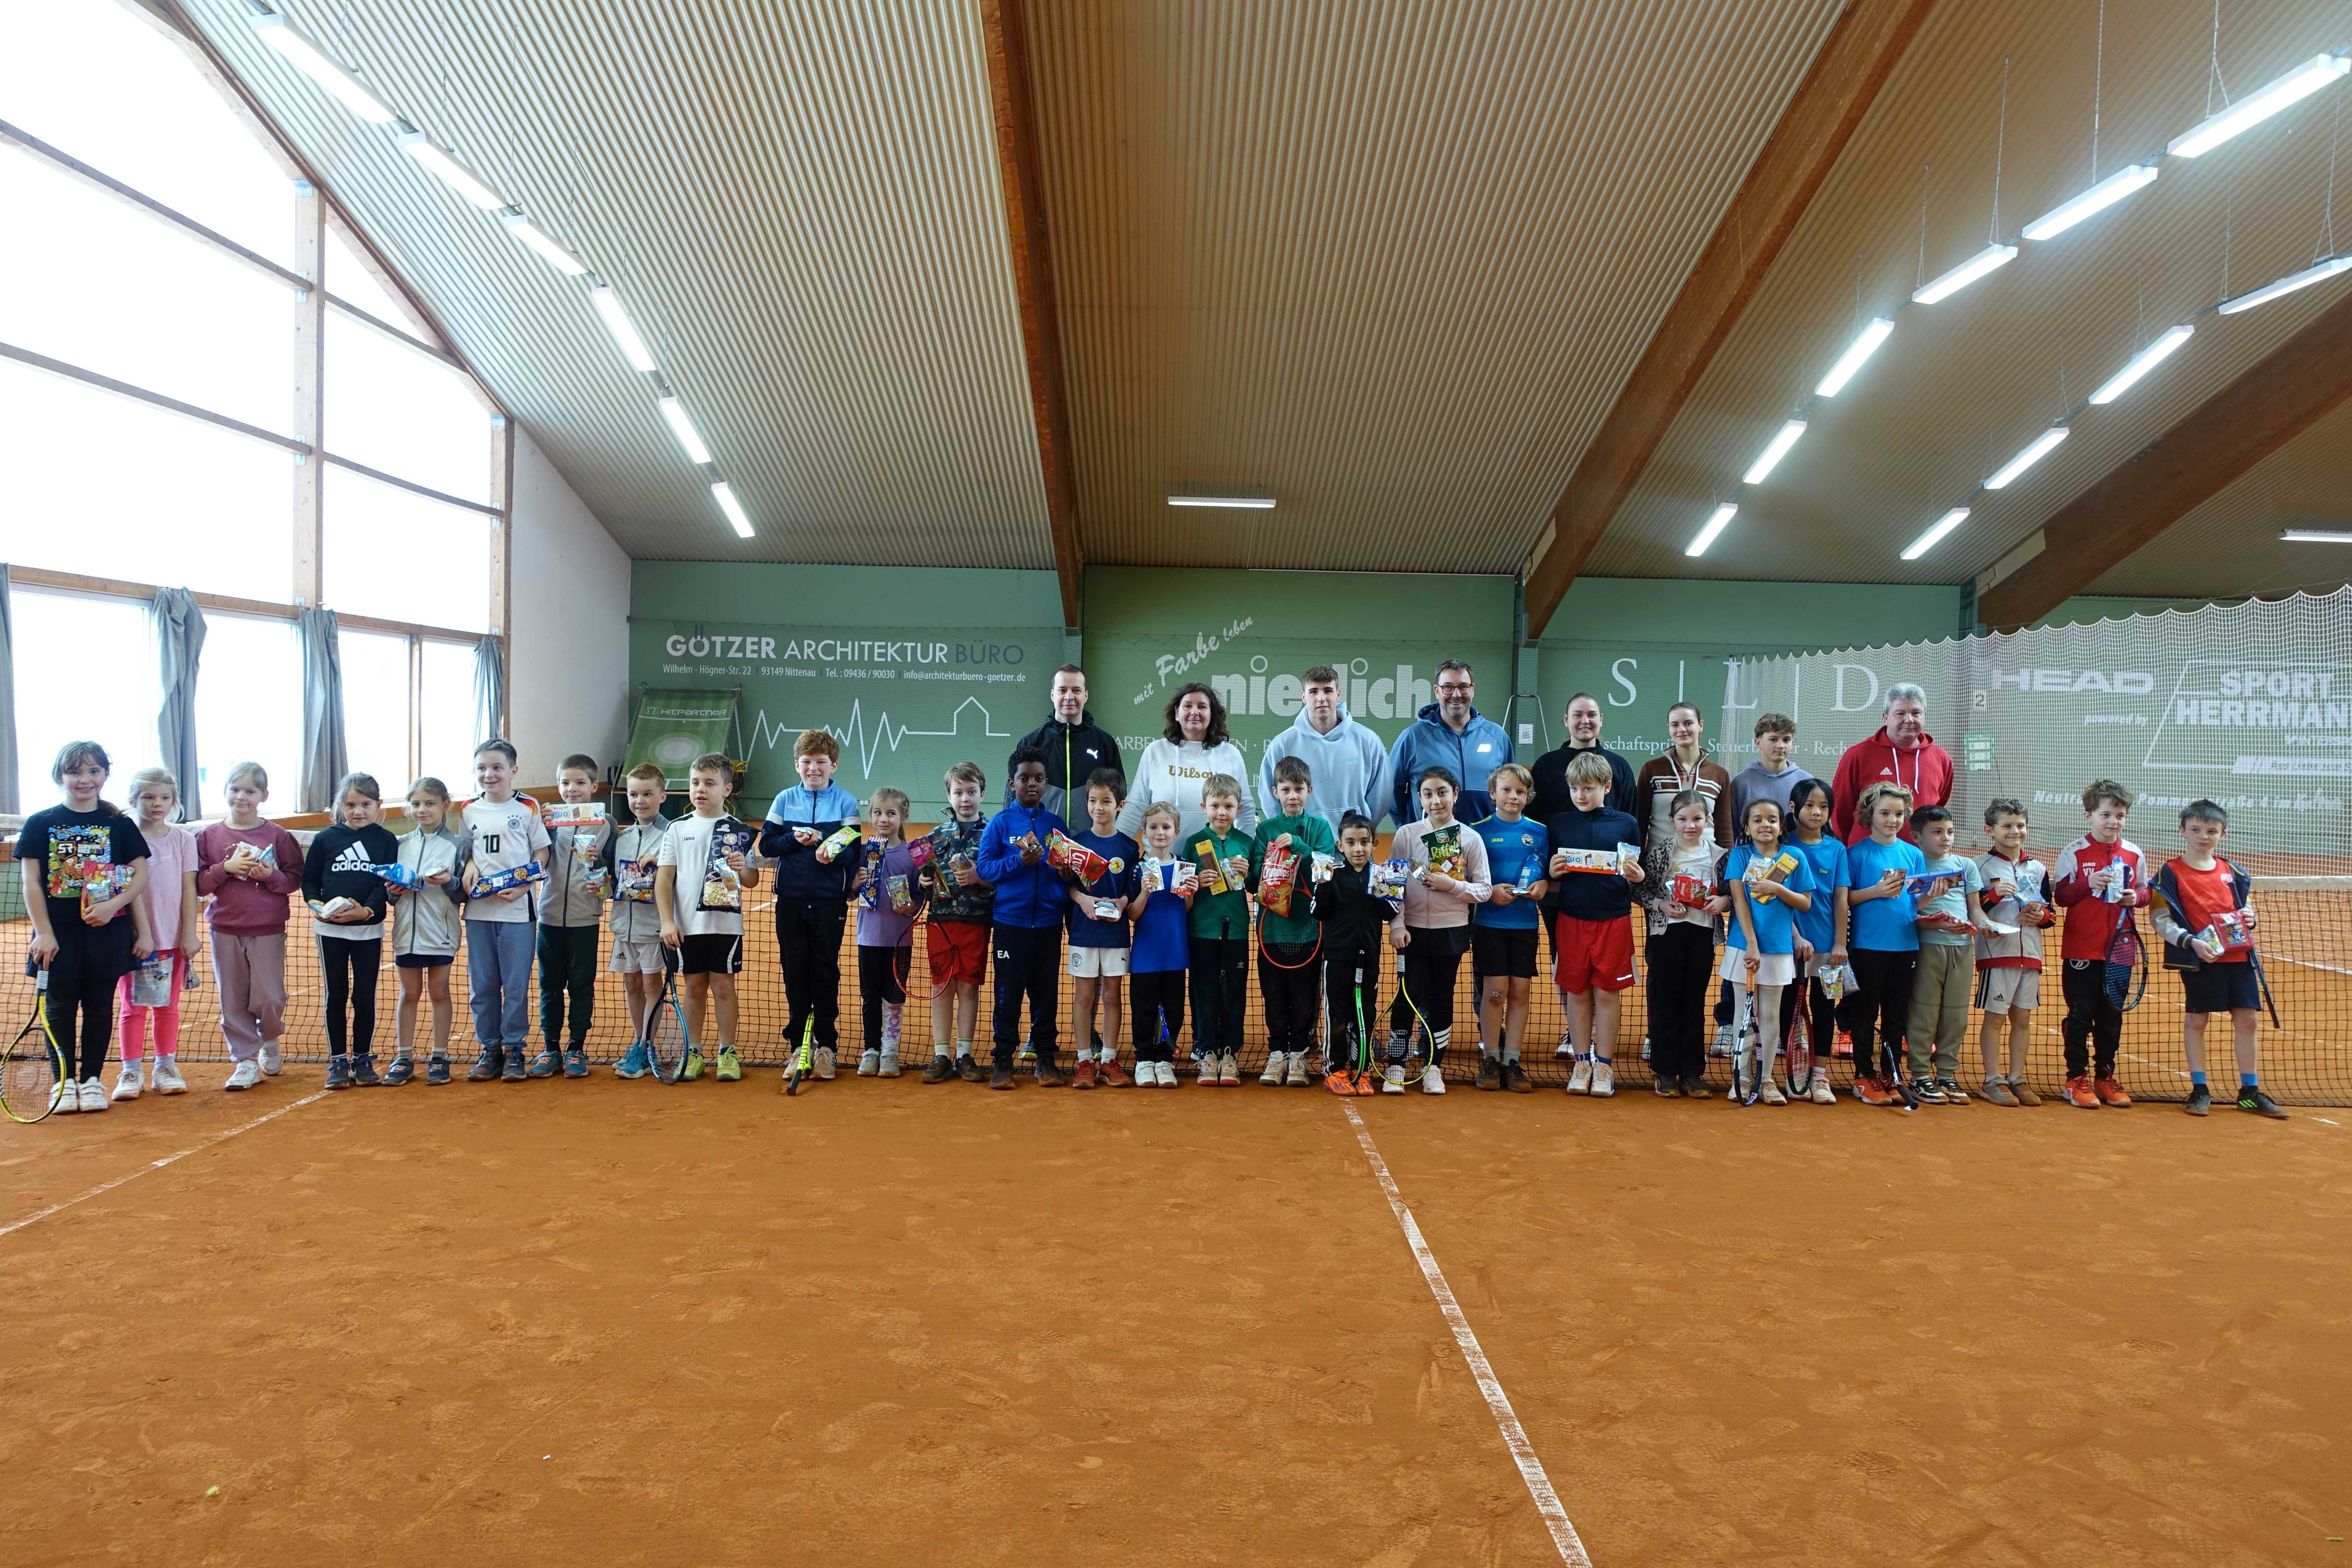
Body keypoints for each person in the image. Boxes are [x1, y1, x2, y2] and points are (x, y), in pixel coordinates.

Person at [17, 740, 152, 1115]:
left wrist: (112, 907)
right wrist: (44, 933)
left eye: (94, 771)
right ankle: (63, 1083)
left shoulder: (120, 825)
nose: (85, 779)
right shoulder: (40, 824)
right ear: (60, 776)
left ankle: (92, 1081)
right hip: (58, 935)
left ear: (105, 775)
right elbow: (31, 883)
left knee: (99, 1008)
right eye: (75, 772)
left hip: (106, 934)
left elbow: (139, 877)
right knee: (59, 1008)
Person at [2151, 800, 2286, 1120]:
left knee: (2248, 1021)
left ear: (2223, 835)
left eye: (2212, 831)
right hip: (2201, 958)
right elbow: (2160, 919)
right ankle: (2200, 1089)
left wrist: (2251, 918)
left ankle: (2250, 1093)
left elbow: (2244, 907)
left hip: (2239, 958)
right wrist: (2192, 943)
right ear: (2183, 831)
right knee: (2197, 1021)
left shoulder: (2233, 871)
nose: (2204, 836)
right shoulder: (2169, 873)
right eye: (2196, 830)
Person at [757, 728, 861, 1082]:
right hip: (790, 903)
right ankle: (799, 1048)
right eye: (807, 762)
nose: (814, 768)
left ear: (834, 765)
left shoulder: (846, 802)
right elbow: (767, 845)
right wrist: (793, 839)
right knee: (794, 974)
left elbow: (853, 850)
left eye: (821, 762)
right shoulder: (784, 800)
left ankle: (827, 1048)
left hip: (830, 904)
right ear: (797, 765)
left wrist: (827, 848)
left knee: (825, 973)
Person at [1383, 766, 1491, 1094]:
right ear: (1419, 799)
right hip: (1412, 933)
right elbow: (1393, 885)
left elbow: (1484, 890)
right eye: (1428, 794)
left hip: (1452, 932)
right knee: (1407, 996)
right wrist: (1397, 924)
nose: (1436, 801)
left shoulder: (1470, 839)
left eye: (1443, 793)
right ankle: (1396, 1064)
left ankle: (1433, 1067)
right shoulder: (1406, 835)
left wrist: (1452, 885)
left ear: (1455, 795)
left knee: (1442, 999)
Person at [196, 761, 302, 1091]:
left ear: (263, 796)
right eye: (236, 789)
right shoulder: (209, 836)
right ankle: (244, 1060)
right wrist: (225, 868)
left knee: (270, 996)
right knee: (232, 999)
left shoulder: (278, 836)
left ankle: (270, 1038)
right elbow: (199, 884)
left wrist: (270, 876)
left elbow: (294, 880)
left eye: (250, 791)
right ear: (226, 792)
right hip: (224, 929)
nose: (242, 797)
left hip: (268, 929)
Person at [656, 753, 759, 1081]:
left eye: (710, 783)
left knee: (724, 987)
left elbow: (752, 880)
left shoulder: (739, 832)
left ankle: (727, 1053)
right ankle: (694, 1052)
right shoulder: (677, 828)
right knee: (694, 988)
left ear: (727, 789)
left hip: (726, 926)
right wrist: (667, 921)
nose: (701, 789)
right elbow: (664, 879)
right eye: (695, 783)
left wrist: (743, 868)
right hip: (687, 926)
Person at [1547, 751, 1643, 1098]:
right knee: (1576, 992)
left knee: (1606, 993)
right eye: (1575, 788)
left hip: (1613, 920)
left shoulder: (1626, 823)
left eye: (1588, 788)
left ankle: (1604, 1066)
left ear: (1607, 786)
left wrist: (1637, 875)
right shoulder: (1559, 823)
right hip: (1571, 920)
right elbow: (1550, 872)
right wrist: (1553, 871)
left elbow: (1635, 871)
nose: (1580, 795)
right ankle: (1581, 1063)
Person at [2051, 779, 2150, 1110]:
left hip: (2120, 951)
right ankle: (2075, 1079)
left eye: (2120, 816)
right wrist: (2087, 883)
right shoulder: (2074, 852)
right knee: (2080, 1016)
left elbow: (2146, 891)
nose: (2113, 821)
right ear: (2089, 815)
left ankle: (2105, 1076)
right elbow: (2062, 897)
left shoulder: (2134, 853)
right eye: (2106, 815)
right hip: (2082, 949)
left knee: (2111, 1018)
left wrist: (2137, 898)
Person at [977, 748, 1071, 1089]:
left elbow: (1066, 870)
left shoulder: (1055, 825)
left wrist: (1064, 872)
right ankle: (1003, 1060)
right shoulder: (1000, 823)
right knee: (1008, 994)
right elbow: (985, 869)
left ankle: (1045, 1059)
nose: (1032, 784)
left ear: (1046, 784)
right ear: (1011, 783)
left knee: (1046, 994)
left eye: (1038, 779)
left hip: (1048, 924)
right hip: (1011, 924)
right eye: (1024, 778)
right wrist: (1019, 862)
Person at [459, 739, 549, 1084]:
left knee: (515, 986)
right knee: (482, 986)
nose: (489, 774)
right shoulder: (468, 809)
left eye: (497, 767)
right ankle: (489, 1050)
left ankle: (514, 1050)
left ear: (513, 771)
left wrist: (525, 886)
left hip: (517, 914)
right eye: (482, 768)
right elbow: (468, 851)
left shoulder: (528, 806)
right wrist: (470, 865)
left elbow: (542, 853)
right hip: (479, 912)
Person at [304, 772, 399, 1090]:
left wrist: (366, 911)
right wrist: (318, 905)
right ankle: (337, 1061)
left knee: (364, 996)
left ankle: (362, 1059)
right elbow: (309, 882)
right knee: (336, 995)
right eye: (350, 805)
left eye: (366, 804)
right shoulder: (325, 839)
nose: (358, 811)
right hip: (330, 932)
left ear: (378, 806)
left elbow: (384, 884)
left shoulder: (386, 841)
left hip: (368, 932)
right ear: (340, 806)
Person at [111, 767, 198, 1101]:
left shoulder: (184, 840)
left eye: (164, 797)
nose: (157, 804)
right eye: (148, 797)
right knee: (132, 1007)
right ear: (134, 800)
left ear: (174, 801)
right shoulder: (124, 838)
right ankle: (131, 1071)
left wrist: (188, 934)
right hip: (133, 941)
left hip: (171, 940)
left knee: (167, 1006)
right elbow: (126, 889)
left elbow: (189, 889)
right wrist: (139, 934)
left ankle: (165, 1067)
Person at [1722, 798, 1814, 1106]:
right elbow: (1739, 901)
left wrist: (1777, 889)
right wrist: (1751, 943)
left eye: (1772, 820)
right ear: (1747, 828)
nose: (1766, 825)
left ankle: (1766, 1080)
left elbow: (1805, 903)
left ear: (1781, 826)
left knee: (1771, 1016)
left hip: (1779, 948)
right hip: (1743, 946)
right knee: (1742, 1015)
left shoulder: (1794, 857)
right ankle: (1742, 1077)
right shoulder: (1740, 855)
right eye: (1758, 820)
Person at [1841, 781, 1925, 1106]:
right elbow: (1845, 899)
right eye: (1885, 813)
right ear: (1870, 815)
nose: (1893, 820)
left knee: (1896, 1017)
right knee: (1865, 1014)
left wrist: (1935, 893)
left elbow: (1916, 901)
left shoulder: (1914, 854)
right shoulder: (1856, 854)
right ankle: (1864, 1076)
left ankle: (1891, 1076)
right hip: (1867, 947)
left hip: (1905, 946)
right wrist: (1876, 891)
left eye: (1899, 814)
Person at [1636, 790, 1724, 1097]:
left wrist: (1722, 902)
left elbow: (1730, 892)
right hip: (1667, 936)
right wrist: (1661, 905)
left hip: (1702, 936)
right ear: (1672, 820)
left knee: (1694, 1004)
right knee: (1665, 1002)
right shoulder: (1660, 853)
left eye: (1697, 819)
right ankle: (1664, 1072)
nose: (1690, 825)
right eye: (1683, 819)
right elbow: (1641, 891)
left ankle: (1692, 1073)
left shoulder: (1719, 856)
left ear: (1707, 820)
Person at [1255, 756, 1336, 1087]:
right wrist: (1262, 866)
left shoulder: (1321, 828)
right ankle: (1277, 1054)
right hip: (1272, 931)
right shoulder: (1265, 830)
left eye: (1299, 789)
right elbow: (1254, 881)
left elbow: (1325, 872)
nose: (1293, 796)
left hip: (1309, 931)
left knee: (1305, 998)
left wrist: (1298, 846)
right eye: (1286, 789)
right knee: (1274, 996)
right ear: (1275, 791)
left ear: (1309, 791)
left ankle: (1299, 1054)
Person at [1471, 763, 1548, 1093]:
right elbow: (1470, 878)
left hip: (1525, 925)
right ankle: (1490, 1057)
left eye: (1520, 792)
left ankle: (1512, 1061)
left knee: (1520, 991)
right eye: (1507, 790)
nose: (1513, 796)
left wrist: (1544, 885)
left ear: (1528, 796)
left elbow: (1545, 872)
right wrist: (1490, 892)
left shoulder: (1540, 832)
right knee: (1494, 992)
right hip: (1488, 924)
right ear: (1493, 794)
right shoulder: (1477, 831)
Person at [533, 753, 610, 1080]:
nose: (572, 789)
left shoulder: (606, 824)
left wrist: (598, 866)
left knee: (581, 985)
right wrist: (540, 825)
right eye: (565, 783)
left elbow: (612, 874)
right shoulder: (548, 822)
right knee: (549, 985)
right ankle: (551, 1048)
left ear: (594, 786)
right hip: (549, 917)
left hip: (585, 919)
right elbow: (535, 858)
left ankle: (577, 1047)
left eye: (580, 783)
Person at [1972, 798, 2052, 1107]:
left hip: (2030, 955)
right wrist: (1993, 895)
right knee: (1995, 1018)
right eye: (2007, 826)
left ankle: (2017, 1078)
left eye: (2020, 825)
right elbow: (1972, 909)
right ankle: (1993, 1079)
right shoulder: (1979, 866)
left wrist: (2040, 917)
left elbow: (2050, 915)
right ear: (1989, 830)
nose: (2015, 831)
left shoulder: (2038, 868)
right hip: (1996, 955)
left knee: (2022, 1018)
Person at [387, 776, 466, 1085]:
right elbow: (390, 895)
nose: (422, 810)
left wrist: (448, 882)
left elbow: (463, 893)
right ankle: (403, 1057)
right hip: (406, 933)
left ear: (445, 805)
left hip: (440, 933)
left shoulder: (457, 846)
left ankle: (439, 1057)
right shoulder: (400, 845)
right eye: (416, 804)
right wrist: (393, 891)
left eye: (430, 804)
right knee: (409, 994)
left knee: (439, 992)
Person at [918, 762, 995, 1084]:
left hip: (977, 923)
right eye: (959, 792)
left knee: (968, 988)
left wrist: (982, 879)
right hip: (941, 923)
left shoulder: (994, 834)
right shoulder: (934, 837)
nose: (965, 799)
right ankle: (942, 1055)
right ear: (949, 796)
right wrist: (922, 882)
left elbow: (1002, 877)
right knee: (942, 987)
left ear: (982, 794)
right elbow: (923, 876)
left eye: (972, 792)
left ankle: (965, 1054)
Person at [1902, 805, 1984, 1105]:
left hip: (1962, 949)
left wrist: (1985, 926)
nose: (1945, 838)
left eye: (1950, 832)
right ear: (1917, 837)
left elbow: (1975, 910)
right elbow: (1907, 913)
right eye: (1937, 832)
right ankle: (1920, 1075)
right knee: (1924, 1012)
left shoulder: (1966, 866)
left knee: (1956, 1015)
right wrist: (1934, 923)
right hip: (1928, 948)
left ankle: (1947, 1073)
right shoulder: (1913, 864)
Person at [1065, 768, 1137, 1089]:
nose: (1099, 807)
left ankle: (1108, 1059)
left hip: (1116, 935)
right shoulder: (1076, 844)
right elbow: (1068, 887)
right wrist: (1082, 899)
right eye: (1093, 801)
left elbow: (1131, 890)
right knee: (1084, 997)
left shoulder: (1129, 848)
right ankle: (1084, 1060)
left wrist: (1122, 902)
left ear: (1120, 805)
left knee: (1111, 995)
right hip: (1083, 932)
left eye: (1106, 801)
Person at [1184, 774, 1258, 1087]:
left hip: (1237, 932)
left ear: (1238, 808)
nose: (1222, 813)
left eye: (1228, 806)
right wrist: (1197, 884)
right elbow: (1183, 888)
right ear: (1204, 807)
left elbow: (1256, 886)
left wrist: (1249, 874)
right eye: (1215, 806)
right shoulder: (1193, 843)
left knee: (1234, 994)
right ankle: (1206, 1052)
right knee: (1204, 993)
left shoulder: (1247, 843)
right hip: (1202, 932)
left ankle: (1229, 1053)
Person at [1257, 665, 1390, 832]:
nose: (1321, 698)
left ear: (1338, 694)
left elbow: (1382, 797)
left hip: (1352, 844)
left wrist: (1358, 833)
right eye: (1314, 692)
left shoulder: (1368, 740)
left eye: (1328, 691)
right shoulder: (1282, 744)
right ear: (1304, 696)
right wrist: (1291, 835)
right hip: (1300, 845)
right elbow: (1269, 799)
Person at [850, 786, 925, 1079]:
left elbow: (919, 899)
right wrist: (855, 884)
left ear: (903, 817)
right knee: (870, 997)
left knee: (894, 998)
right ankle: (871, 1050)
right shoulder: (862, 852)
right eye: (878, 813)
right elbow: (849, 894)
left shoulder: (912, 856)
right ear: (870, 816)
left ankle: (891, 1052)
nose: (884, 819)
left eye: (891, 813)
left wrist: (910, 907)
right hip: (868, 939)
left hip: (899, 941)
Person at [1312, 811, 1389, 1095]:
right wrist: (1322, 886)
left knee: (1365, 1014)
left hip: (1369, 957)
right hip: (1337, 957)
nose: (1358, 849)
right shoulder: (1331, 874)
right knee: (1338, 1014)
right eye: (1351, 843)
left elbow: (1390, 912)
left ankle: (1362, 1068)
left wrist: (1385, 891)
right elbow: (1317, 912)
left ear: (1374, 844)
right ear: (1340, 845)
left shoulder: (1380, 874)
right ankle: (1335, 1068)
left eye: (1364, 842)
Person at [1782, 778, 1849, 1105]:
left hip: (1828, 952)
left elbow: (1841, 899)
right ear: (1794, 808)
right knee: (1786, 1010)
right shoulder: (1782, 846)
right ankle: (1791, 1075)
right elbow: (1778, 900)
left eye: (1824, 807)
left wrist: (1840, 944)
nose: (1817, 812)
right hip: (1790, 947)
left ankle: (1820, 1076)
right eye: (1810, 805)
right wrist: (1795, 937)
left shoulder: (1837, 850)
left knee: (1825, 1010)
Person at [1122, 681, 1258, 840]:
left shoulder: (1231, 755)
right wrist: (1115, 844)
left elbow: (1245, 810)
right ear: (1177, 713)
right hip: (1160, 854)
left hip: (1215, 855)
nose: (1195, 712)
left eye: (1202, 707)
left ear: (1212, 714)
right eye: (1188, 706)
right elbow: (1136, 806)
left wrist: (1246, 849)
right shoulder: (1156, 751)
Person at [608, 763, 674, 1081]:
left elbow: (681, 879)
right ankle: (639, 1042)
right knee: (632, 984)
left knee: (651, 986)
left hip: (653, 929)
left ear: (662, 795)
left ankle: (647, 1046)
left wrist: (662, 865)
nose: (640, 801)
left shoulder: (671, 835)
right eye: (634, 794)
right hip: (624, 927)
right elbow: (616, 883)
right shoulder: (622, 838)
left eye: (648, 794)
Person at [1387, 660, 1513, 824]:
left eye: (1463, 687)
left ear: (1472, 690)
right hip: (1429, 838)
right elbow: (1390, 789)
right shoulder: (1413, 737)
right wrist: (1410, 827)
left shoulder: (1497, 736)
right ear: (1437, 691)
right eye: (1448, 687)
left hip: (1487, 838)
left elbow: (1511, 786)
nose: (1456, 694)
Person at [1829, 683, 1954, 845]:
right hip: (1867, 853)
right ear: (1886, 717)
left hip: (1922, 854)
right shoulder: (1858, 755)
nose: (1909, 720)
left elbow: (1939, 805)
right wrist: (1849, 849)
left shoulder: (1941, 758)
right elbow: (1841, 808)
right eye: (1900, 713)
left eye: (1916, 713)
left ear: (1924, 715)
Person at [1126, 801, 1193, 1087]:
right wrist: (1144, 892)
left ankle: (1165, 1060)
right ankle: (1144, 1060)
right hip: (1145, 955)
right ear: (1144, 832)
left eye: (1166, 827)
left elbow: (1186, 909)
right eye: (1153, 827)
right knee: (1144, 1009)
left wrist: (1190, 893)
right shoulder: (1138, 870)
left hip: (1175, 954)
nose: (1160, 833)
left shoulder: (1184, 868)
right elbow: (1132, 914)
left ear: (1176, 831)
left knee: (1173, 1009)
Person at [1008, 665, 1123, 821]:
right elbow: (1013, 799)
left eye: (1076, 690)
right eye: (1062, 690)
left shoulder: (1105, 743)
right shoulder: (1031, 743)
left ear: (1086, 696)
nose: (1069, 697)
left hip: (1090, 837)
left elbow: (1119, 796)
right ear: (1052, 695)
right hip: (1042, 836)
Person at [1636, 702, 1733, 851]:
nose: (1682, 729)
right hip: (1659, 861)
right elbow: (1640, 823)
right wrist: (1637, 860)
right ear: (1669, 728)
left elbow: (1724, 830)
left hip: (1706, 861)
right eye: (1675, 725)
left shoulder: (1719, 775)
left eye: (1688, 723)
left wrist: (1728, 862)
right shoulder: (1652, 770)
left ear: (1701, 725)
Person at [1529, 692, 1636, 823]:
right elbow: (1532, 818)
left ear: (1601, 720)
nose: (1585, 721)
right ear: (1566, 720)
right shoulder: (1545, 765)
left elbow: (1630, 817)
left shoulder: (1619, 766)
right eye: (1578, 715)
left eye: (1592, 715)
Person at [1730, 713, 1810, 846]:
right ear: (1758, 743)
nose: (1781, 745)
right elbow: (1733, 828)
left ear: (1793, 743)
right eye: (1773, 740)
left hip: (1797, 853)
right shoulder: (1742, 783)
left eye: (1786, 740)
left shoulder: (1806, 781)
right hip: (1752, 855)